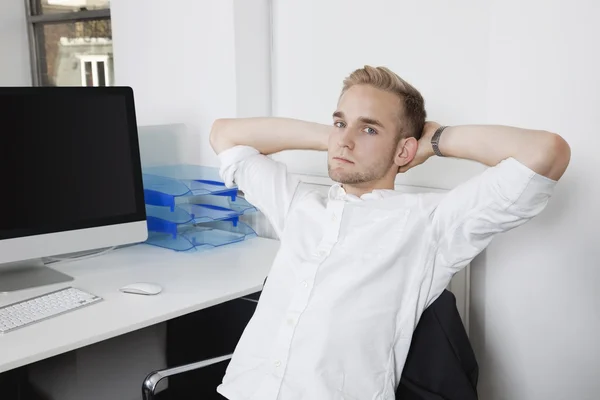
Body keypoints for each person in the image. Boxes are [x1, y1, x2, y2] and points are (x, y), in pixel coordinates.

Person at [209, 65, 571, 400]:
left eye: (369, 129)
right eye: (340, 123)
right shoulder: (300, 205)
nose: (345, 141)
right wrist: (338, 137)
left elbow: (546, 151)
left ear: (403, 150)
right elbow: (224, 134)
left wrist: (433, 142)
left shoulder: (429, 224)